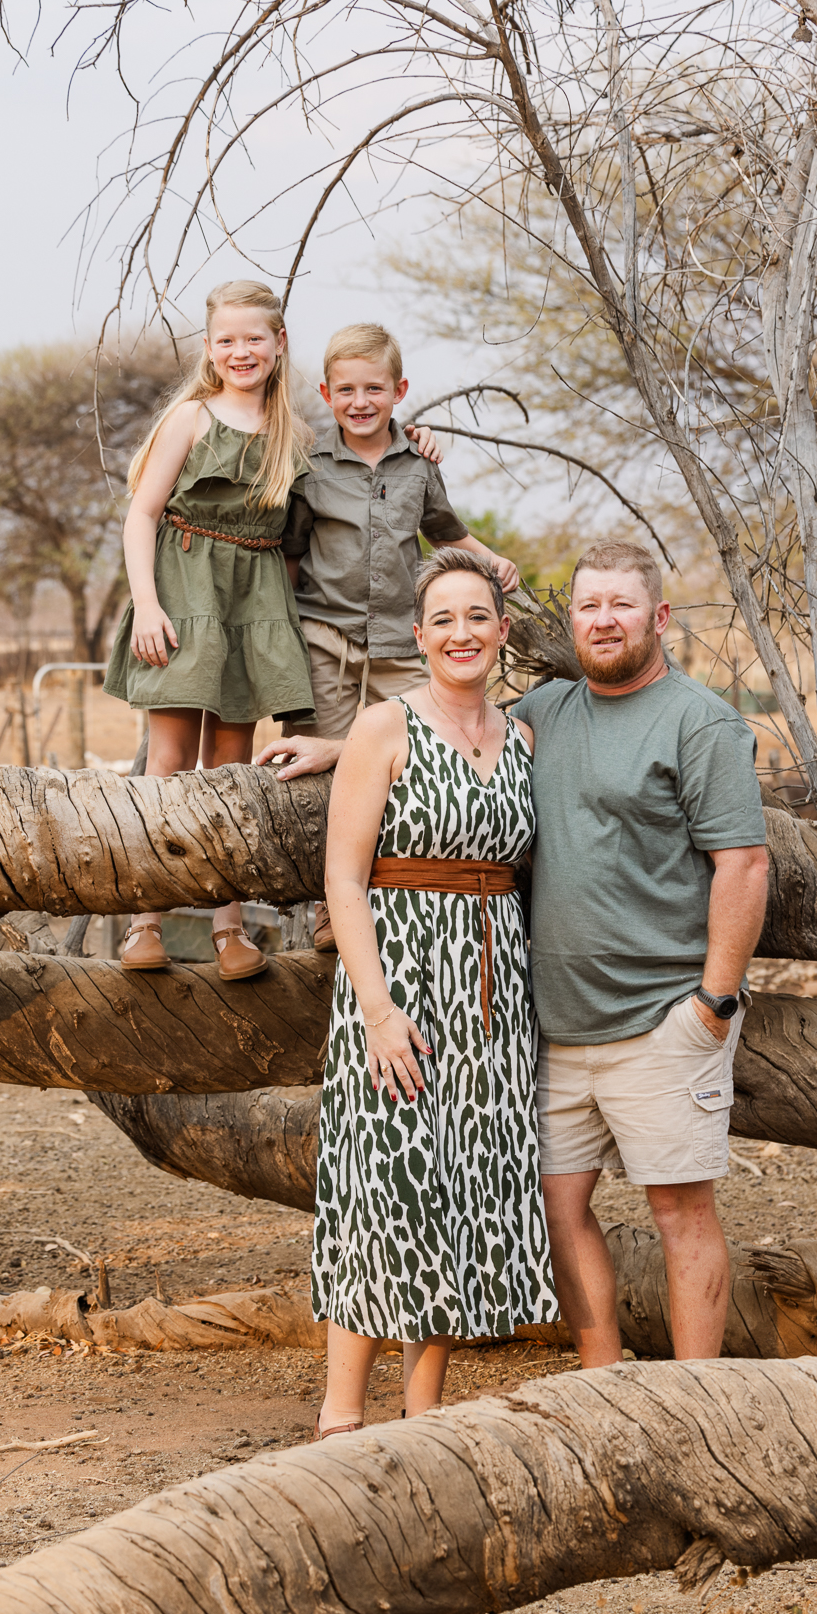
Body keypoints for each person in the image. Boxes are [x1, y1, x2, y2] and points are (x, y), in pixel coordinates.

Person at [310, 548, 557, 1436]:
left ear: (500, 632)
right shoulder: (384, 730)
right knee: (385, 1183)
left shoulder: (525, 739)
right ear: (419, 637)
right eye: (443, 619)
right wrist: (376, 1012)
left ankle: (423, 1421)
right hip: (399, 984)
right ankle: (340, 1417)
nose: (462, 633)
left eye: (478, 617)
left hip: (493, 999)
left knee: (464, 1182)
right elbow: (343, 880)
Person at [512, 539, 770, 1363]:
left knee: (679, 1214)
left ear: (657, 616)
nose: (603, 620)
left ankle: (694, 1397)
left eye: (621, 604)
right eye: (589, 605)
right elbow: (444, 733)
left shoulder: (701, 722)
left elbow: (743, 863)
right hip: (556, 1025)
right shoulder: (545, 709)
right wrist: (339, 750)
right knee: (558, 1207)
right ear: (572, 620)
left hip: (664, 1019)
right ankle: (603, 1381)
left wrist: (712, 1004)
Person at [263, 322, 519, 950]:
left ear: (399, 390)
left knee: (413, 760)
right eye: (346, 389)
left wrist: (493, 563)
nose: (360, 401)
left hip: (403, 646)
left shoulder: (418, 464)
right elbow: (291, 555)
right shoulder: (310, 467)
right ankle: (328, 909)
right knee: (320, 765)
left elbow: (443, 531)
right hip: (327, 635)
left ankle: (402, 890)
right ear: (326, 393)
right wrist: (284, 639)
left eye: (373, 388)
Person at [103, 278, 316, 980]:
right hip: (184, 590)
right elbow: (142, 514)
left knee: (231, 768)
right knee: (165, 762)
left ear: (279, 344)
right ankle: (144, 923)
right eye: (226, 339)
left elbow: (295, 538)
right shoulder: (192, 417)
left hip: (252, 601)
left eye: (254, 337)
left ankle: (230, 930)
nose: (241, 350)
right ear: (209, 348)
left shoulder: (293, 433)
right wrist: (148, 604)